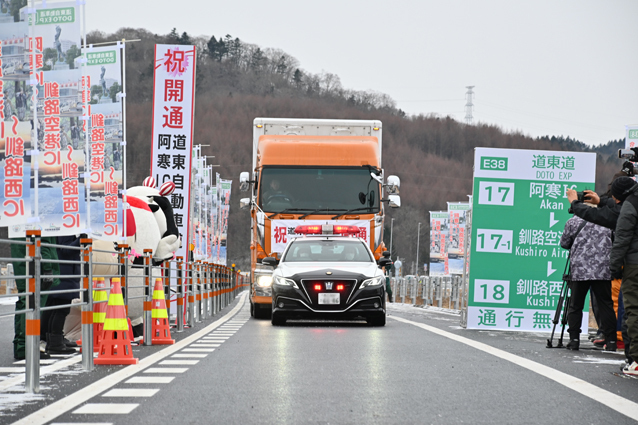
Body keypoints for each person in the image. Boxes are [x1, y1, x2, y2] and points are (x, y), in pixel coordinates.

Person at [560, 215, 616, 351]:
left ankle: (574, 340)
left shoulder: (573, 221)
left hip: (580, 270)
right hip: (602, 270)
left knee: (576, 305)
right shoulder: (607, 219)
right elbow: (616, 241)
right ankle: (611, 341)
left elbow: (564, 243)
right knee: (606, 305)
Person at [11, 237, 59, 360]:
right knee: (33, 305)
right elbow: (44, 243)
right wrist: (48, 267)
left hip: (23, 261)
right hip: (37, 266)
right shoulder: (39, 219)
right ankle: (27, 347)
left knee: (24, 302)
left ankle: (21, 345)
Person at [609, 177, 638, 376]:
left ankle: (636, 360)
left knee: (633, 309)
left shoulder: (631, 204)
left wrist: (614, 265)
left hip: (634, 265)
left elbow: (622, 237)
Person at [40, 235, 81, 355]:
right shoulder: (65, 230)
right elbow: (66, 249)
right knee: (61, 309)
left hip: (61, 271)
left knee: (53, 308)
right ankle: (55, 342)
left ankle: (50, 339)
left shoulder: (58, 229)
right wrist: (81, 240)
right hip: (64, 272)